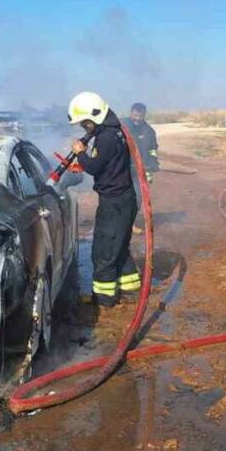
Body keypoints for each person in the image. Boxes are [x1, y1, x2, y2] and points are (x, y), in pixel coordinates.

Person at [68, 91, 140, 307]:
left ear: (94, 117)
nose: (83, 127)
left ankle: (104, 298)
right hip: (124, 199)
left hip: (114, 203)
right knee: (119, 247)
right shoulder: (115, 132)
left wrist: (81, 153)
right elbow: (108, 163)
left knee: (103, 252)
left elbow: (94, 166)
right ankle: (130, 288)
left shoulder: (106, 138)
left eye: (85, 123)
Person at [121, 102, 159, 235]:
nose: (137, 118)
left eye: (140, 116)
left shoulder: (149, 131)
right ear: (131, 113)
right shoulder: (122, 126)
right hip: (122, 169)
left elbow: (152, 149)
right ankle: (121, 223)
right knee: (121, 197)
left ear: (144, 115)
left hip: (140, 170)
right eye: (135, 115)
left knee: (137, 197)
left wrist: (153, 164)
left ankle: (130, 224)